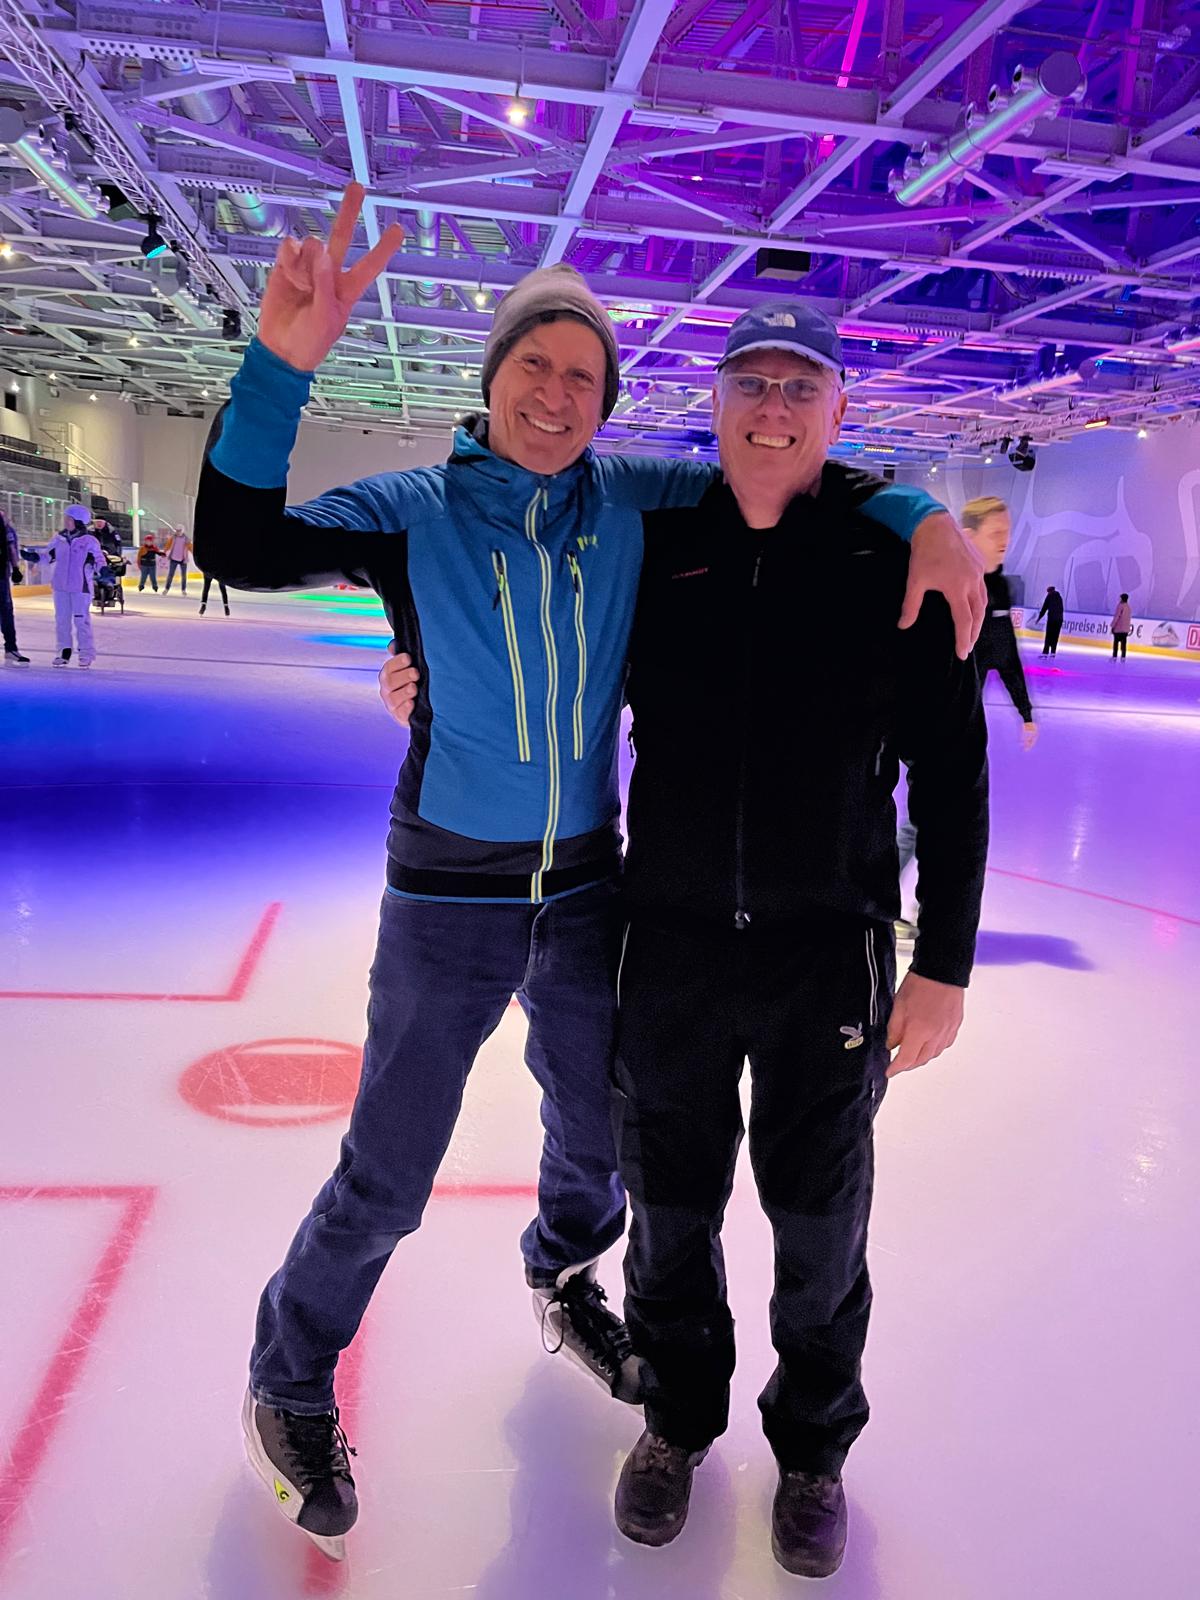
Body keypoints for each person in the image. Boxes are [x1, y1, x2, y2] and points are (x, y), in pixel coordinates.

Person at [196, 183, 984, 1564]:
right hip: (449, 895)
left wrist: (926, 512)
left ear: (609, 403)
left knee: (598, 1141)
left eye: (583, 376)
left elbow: (794, 470)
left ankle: (563, 1272)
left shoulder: (637, 502)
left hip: (588, 899)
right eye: (534, 366)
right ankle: (287, 1369)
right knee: (390, 1169)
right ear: (492, 377)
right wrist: (283, 367)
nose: (557, 395)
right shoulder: (416, 508)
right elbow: (237, 543)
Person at [605, 305, 989, 1577]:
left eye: (798, 387)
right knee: (667, 1213)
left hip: (826, 953)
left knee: (820, 1227)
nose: (771, 405)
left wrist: (944, 963)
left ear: (838, 414)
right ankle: (675, 1418)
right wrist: (423, 669)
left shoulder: (892, 567)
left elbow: (953, 773)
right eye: (749, 383)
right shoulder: (657, 548)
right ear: (715, 408)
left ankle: (814, 1446)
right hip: (666, 947)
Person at [33, 505, 108, 667]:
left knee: (81, 621)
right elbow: (48, 556)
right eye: (65, 518)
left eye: (69, 519)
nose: (66, 521)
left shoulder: (89, 541)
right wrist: (35, 557)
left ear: (79, 522)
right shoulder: (58, 539)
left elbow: (98, 559)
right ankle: (63, 651)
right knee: (61, 620)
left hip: (80, 587)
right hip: (60, 586)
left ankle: (86, 652)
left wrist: (104, 570)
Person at [2, 508, 30, 665]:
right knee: (5, 612)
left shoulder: (7, 530)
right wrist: (16, 568)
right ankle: (11, 648)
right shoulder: (7, 529)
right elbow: (11, 549)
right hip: (2, 576)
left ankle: (11, 648)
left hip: (1, 575)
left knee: (6, 612)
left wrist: (15, 568)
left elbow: (11, 548)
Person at [1036, 583, 1064, 655]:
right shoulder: (1059, 597)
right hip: (1059, 620)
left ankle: (1045, 653)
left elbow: (1044, 608)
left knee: (1048, 636)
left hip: (1052, 620)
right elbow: (1061, 609)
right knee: (1055, 636)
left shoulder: (1049, 596)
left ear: (1049, 591)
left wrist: (1039, 618)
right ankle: (1053, 653)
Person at [164, 525, 192, 593]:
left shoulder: (186, 539)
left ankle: (183, 589)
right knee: (170, 574)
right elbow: (168, 545)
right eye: (177, 530)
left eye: (179, 530)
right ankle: (167, 588)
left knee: (184, 576)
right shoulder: (173, 538)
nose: (178, 532)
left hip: (183, 559)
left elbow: (191, 547)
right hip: (173, 558)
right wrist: (164, 551)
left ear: (182, 531)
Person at [1111, 593, 1132, 658]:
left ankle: (1114, 656)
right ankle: (1123, 657)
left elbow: (1117, 617)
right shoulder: (1128, 607)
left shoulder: (1120, 606)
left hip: (1119, 628)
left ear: (1122, 599)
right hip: (1125, 629)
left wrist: (1113, 626)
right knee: (1123, 644)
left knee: (1116, 643)